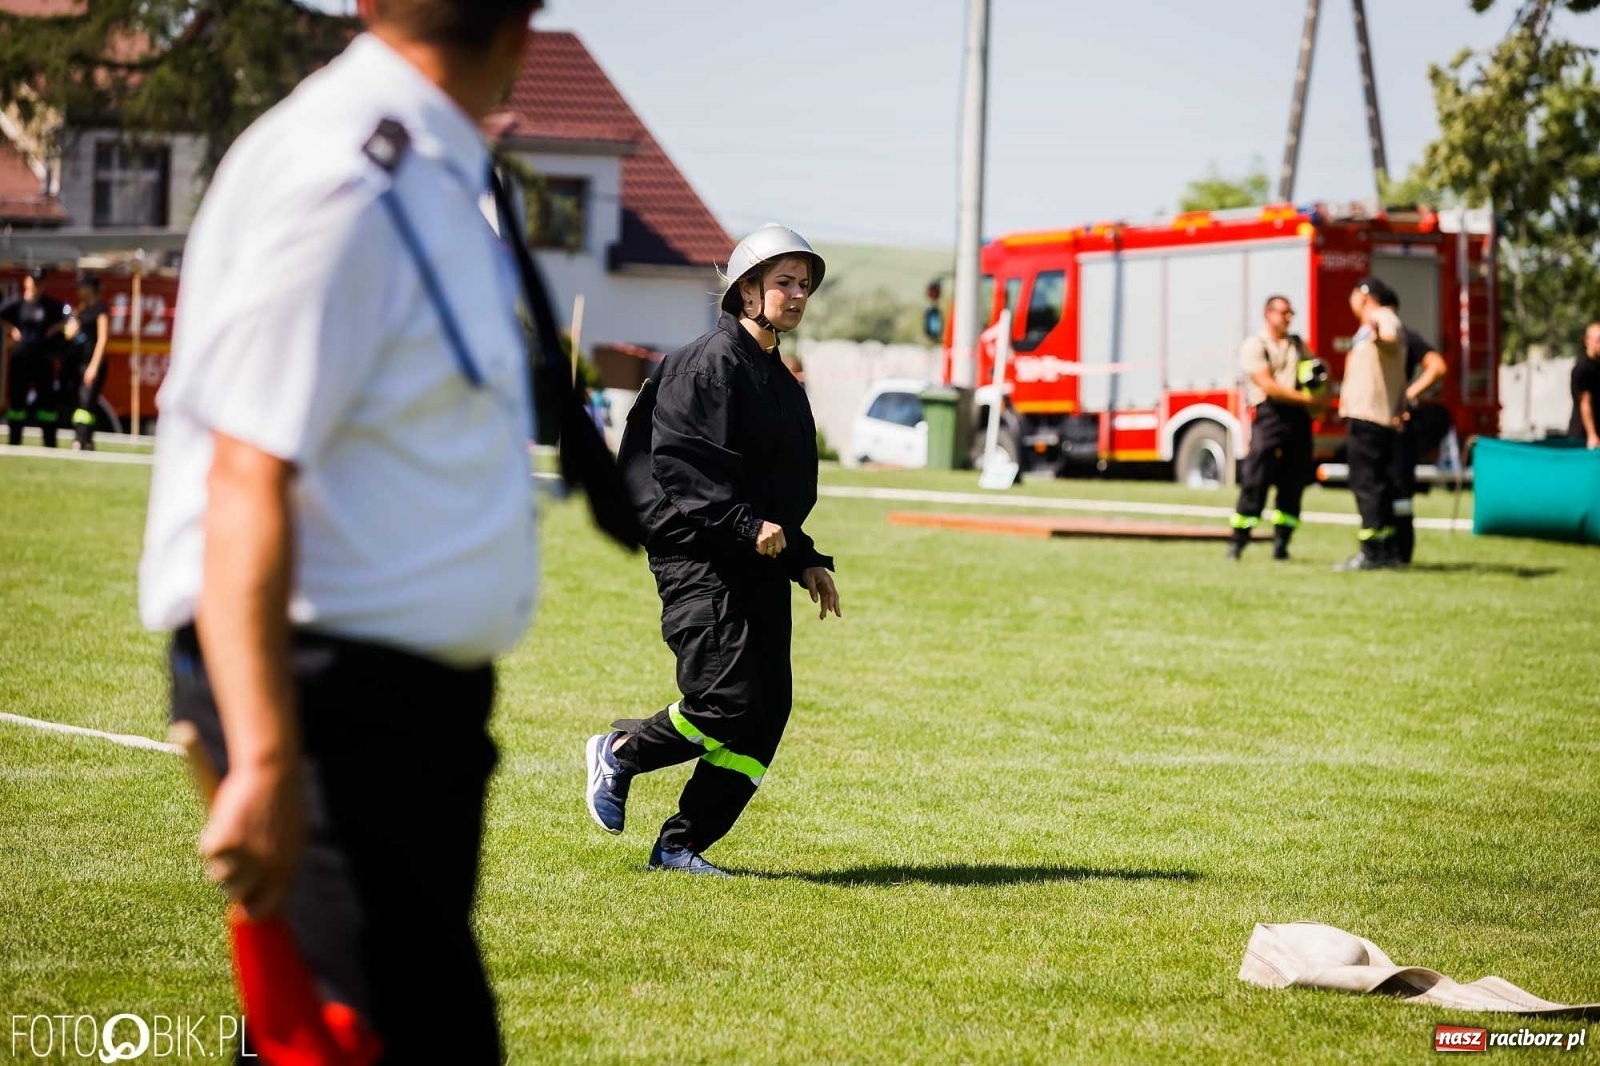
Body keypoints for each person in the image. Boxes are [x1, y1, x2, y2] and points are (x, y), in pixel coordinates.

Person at [138, 1, 548, 1061]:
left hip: (402, 714)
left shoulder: (426, 168)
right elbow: (245, 473)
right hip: (322, 705)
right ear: (526, 22)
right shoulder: (348, 177)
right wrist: (267, 754)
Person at [585, 224, 842, 876]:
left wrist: (804, 558)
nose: (796, 295)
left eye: (804, 286)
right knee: (724, 701)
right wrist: (743, 522)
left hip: (752, 554)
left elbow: (780, 490)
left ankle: (680, 846)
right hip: (698, 554)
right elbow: (680, 466)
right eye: (783, 282)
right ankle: (620, 751)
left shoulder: (780, 384)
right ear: (747, 290)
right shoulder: (704, 365)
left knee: (764, 715)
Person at [1227, 295, 1325, 561]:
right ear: (1268, 314)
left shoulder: (1298, 345)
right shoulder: (1255, 345)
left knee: (1294, 480)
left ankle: (1282, 543)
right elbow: (1268, 385)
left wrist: (1318, 386)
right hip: (1269, 414)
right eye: (1283, 312)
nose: (1289, 317)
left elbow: (1314, 372)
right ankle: (1239, 540)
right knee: (1256, 477)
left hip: (1297, 418)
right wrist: (1308, 399)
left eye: (1291, 312)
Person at [1334, 276, 1407, 571]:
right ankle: (1387, 550)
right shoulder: (1377, 321)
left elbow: (1389, 337)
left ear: (1363, 296)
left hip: (1369, 416)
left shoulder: (1382, 317)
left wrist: (1377, 333)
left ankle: (1372, 552)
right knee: (1378, 484)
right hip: (1375, 416)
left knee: (1367, 484)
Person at [1371, 287, 1448, 566]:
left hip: (1395, 424)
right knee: (1388, 490)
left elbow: (1437, 366)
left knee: (1397, 490)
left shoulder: (1402, 338)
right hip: (1384, 423)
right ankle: (1392, 551)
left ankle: (1399, 552)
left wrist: (1408, 394)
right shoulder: (1373, 341)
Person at [1, 268, 70, 447]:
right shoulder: (17, 305)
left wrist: (55, 330)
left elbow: (68, 314)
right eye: (33, 281)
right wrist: (12, 330)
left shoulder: (49, 305)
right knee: (17, 403)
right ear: (27, 282)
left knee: (47, 404)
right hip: (20, 359)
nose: (36, 285)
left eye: (40, 282)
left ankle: (49, 442)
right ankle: (14, 440)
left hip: (42, 360)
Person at [68, 273, 110, 451]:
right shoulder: (82, 309)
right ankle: (84, 438)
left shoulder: (100, 309)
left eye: (82, 286)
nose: (79, 290)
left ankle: (82, 438)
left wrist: (93, 366)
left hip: (93, 362)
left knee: (87, 402)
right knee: (80, 402)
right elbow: (70, 334)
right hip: (79, 361)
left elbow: (102, 339)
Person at [1570, 321, 1600, 449]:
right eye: (1599, 340)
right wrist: (1592, 434)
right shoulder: (1582, 369)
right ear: (1587, 341)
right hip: (1583, 437)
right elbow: (1585, 402)